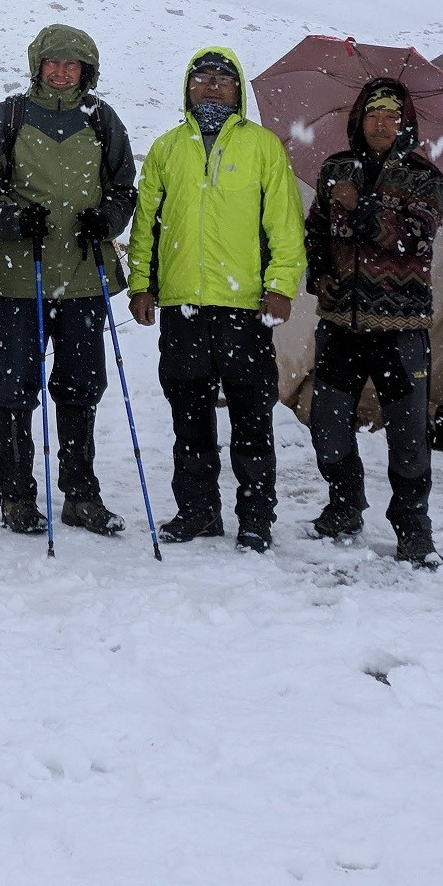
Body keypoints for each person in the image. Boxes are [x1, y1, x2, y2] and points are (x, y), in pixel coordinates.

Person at [128, 46, 306, 552]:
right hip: (182, 305)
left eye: (222, 79)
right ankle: (198, 512)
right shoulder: (167, 148)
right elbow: (147, 225)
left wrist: (281, 285)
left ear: (238, 89)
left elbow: (285, 224)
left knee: (251, 416)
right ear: (187, 87)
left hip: (245, 307)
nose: (211, 86)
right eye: (201, 78)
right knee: (190, 417)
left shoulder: (263, 147)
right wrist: (142, 283)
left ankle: (255, 519)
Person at [0, 25, 136, 538]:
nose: (62, 73)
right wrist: (16, 220)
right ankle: (16, 495)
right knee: (15, 386)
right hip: (23, 278)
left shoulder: (103, 119)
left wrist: (105, 220)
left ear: (87, 71)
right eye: (54, 64)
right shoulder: (11, 116)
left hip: (85, 276)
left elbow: (125, 189)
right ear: (38, 65)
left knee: (81, 387)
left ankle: (80, 493)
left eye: (73, 66)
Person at [300, 78, 443, 566]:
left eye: (391, 116)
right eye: (373, 115)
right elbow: (316, 231)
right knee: (327, 425)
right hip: (341, 323)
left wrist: (359, 205)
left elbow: (415, 237)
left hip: (400, 329)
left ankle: (413, 527)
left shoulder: (424, 176)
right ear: (359, 121)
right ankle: (345, 504)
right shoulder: (335, 169)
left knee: (407, 433)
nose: (381, 124)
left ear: (404, 123)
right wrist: (319, 273)